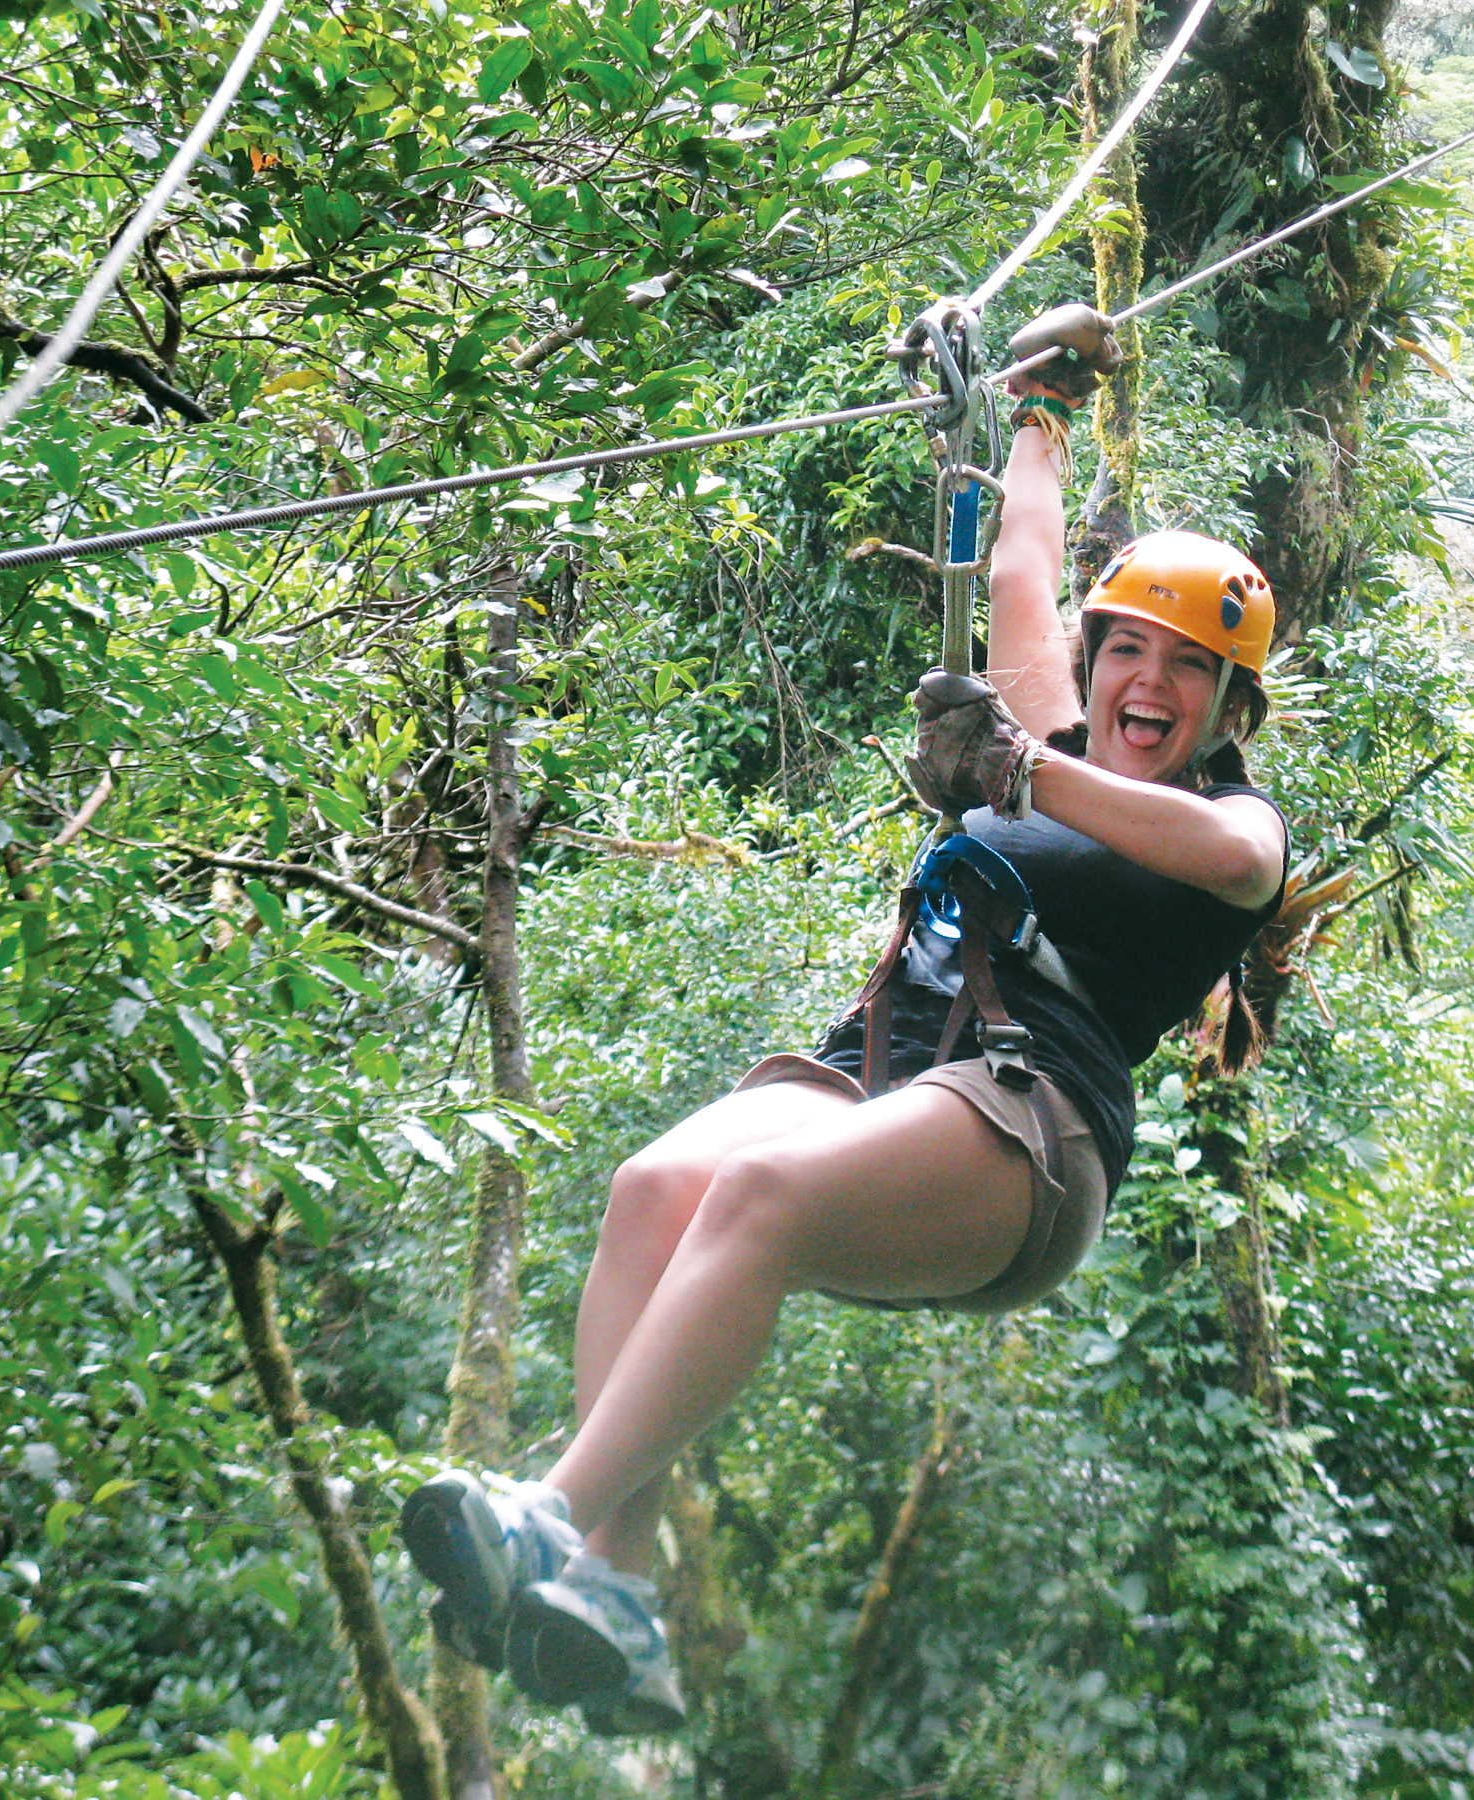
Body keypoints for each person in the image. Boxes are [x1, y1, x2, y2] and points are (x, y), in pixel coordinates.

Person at [398, 301, 1290, 1734]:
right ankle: (612, 1590)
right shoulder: (1056, 722)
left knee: (756, 1191)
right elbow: (1025, 566)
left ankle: (549, 1516)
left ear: (1227, 702)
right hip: (888, 1060)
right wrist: (1045, 409)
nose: (1149, 684)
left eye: (1190, 669)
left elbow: (1239, 867)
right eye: (1130, 649)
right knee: (655, 1191)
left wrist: (1020, 778)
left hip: (1029, 1121)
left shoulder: (1225, 817)